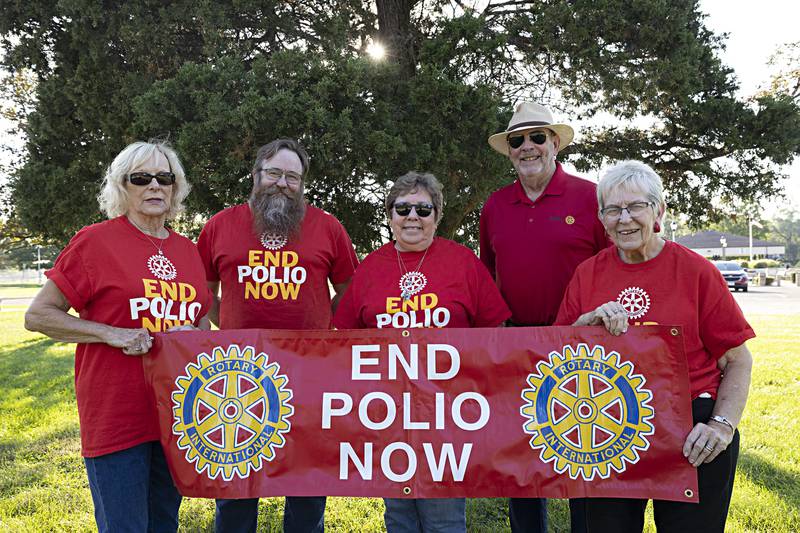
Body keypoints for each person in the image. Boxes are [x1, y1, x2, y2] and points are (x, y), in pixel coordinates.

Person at [555, 160, 754, 533]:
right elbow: (557, 355)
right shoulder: (587, 274)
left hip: (690, 429)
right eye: (613, 210)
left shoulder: (696, 271)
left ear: (659, 210)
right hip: (605, 428)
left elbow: (738, 359)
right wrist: (588, 324)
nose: (624, 219)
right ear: (601, 218)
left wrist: (721, 426)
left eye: (636, 207)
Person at [24, 141, 212, 532]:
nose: (154, 187)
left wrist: (189, 338)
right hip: (117, 414)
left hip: (177, 416)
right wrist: (111, 334)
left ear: (177, 188)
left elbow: (201, 322)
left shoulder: (188, 251)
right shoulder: (95, 241)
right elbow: (39, 315)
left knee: (165, 523)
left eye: (165, 178)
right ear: (121, 187)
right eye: (141, 178)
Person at [197, 138, 359, 533]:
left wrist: (320, 327)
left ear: (302, 184)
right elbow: (203, 292)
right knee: (236, 492)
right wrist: (229, 326)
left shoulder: (327, 226)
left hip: (311, 375)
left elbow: (351, 291)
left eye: (292, 176)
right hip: (238, 377)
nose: (282, 183)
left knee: (306, 490)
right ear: (256, 176)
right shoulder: (219, 226)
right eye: (274, 173)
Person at [334, 171, 511, 532]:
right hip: (388, 416)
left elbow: (496, 335)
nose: (412, 216)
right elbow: (344, 341)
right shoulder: (370, 269)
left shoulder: (462, 263)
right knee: (398, 516)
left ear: (437, 216)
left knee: (443, 518)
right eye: (402, 208)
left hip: (447, 418)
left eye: (423, 209)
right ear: (390, 215)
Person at [480, 101, 608, 532]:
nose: (528, 147)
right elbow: (488, 275)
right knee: (524, 458)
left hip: (582, 345)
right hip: (518, 345)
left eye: (538, 137)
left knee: (581, 453)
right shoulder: (495, 206)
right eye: (518, 140)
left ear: (555, 142)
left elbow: (613, 267)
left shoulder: (591, 197)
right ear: (510, 150)